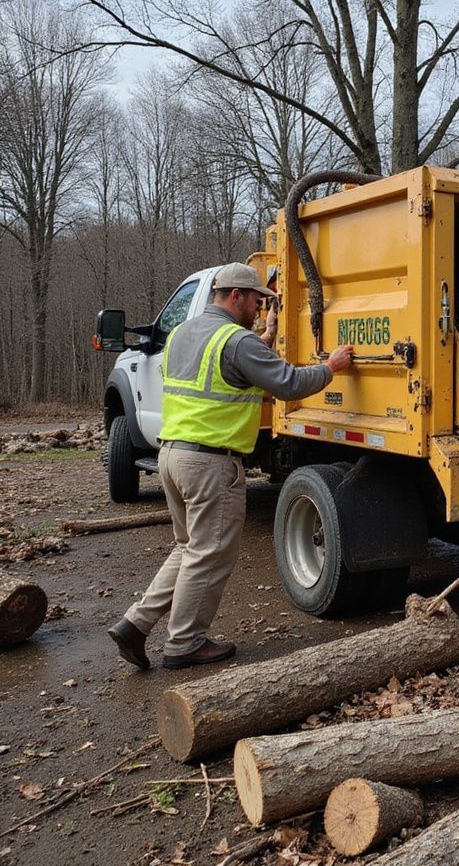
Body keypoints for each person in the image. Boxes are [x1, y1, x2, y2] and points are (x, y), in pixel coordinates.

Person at [107, 262, 354, 670]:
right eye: (257, 302)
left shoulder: (184, 334)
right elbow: (289, 383)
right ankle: (184, 642)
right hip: (210, 465)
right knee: (208, 554)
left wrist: (266, 338)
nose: (259, 309)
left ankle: (136, 623)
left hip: (171, 456)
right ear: (235, 296)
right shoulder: (237, 342)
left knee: (188, 548)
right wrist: (331, 367)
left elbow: (227, 367)